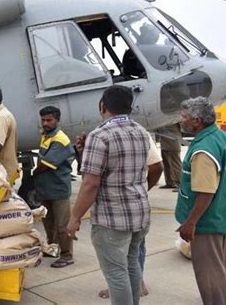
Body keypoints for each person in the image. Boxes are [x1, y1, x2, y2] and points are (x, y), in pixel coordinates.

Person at [66, 86, 162, 305]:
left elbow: (90, 183)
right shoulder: (140, 131)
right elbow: (153, 167)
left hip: (112, 220)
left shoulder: (100, 136)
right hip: (139, 214)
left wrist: (75, 217)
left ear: (103, 106)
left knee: (116, 274)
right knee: (131, 265)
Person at [175, 97, 226, 305]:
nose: (181, 120)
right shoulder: (220, 136)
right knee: (218, 269)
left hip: (207, 223)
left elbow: (205, 191)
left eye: (184, 117)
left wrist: (190, 223)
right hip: (222, 214)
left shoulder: (203, 149)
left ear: (197, 121)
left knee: (209, 276)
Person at [33, 106, 75, 268]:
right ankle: (53, 248)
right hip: (46, 188)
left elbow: (46, 164)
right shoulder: (46, 136)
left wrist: (35, 173)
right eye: (43, 120)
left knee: (62, 225)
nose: (45, 123)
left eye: (49, 120)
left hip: (58, 189)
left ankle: (67, 254)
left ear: (57, 120)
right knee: (48, 223)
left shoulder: (60, 139)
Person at [156, 123, 182, 192]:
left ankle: (180, 184)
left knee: (175, 164)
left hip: (173, 140)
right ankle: (170, 182)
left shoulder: (174, 115)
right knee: (166, 163)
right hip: (164, 141)